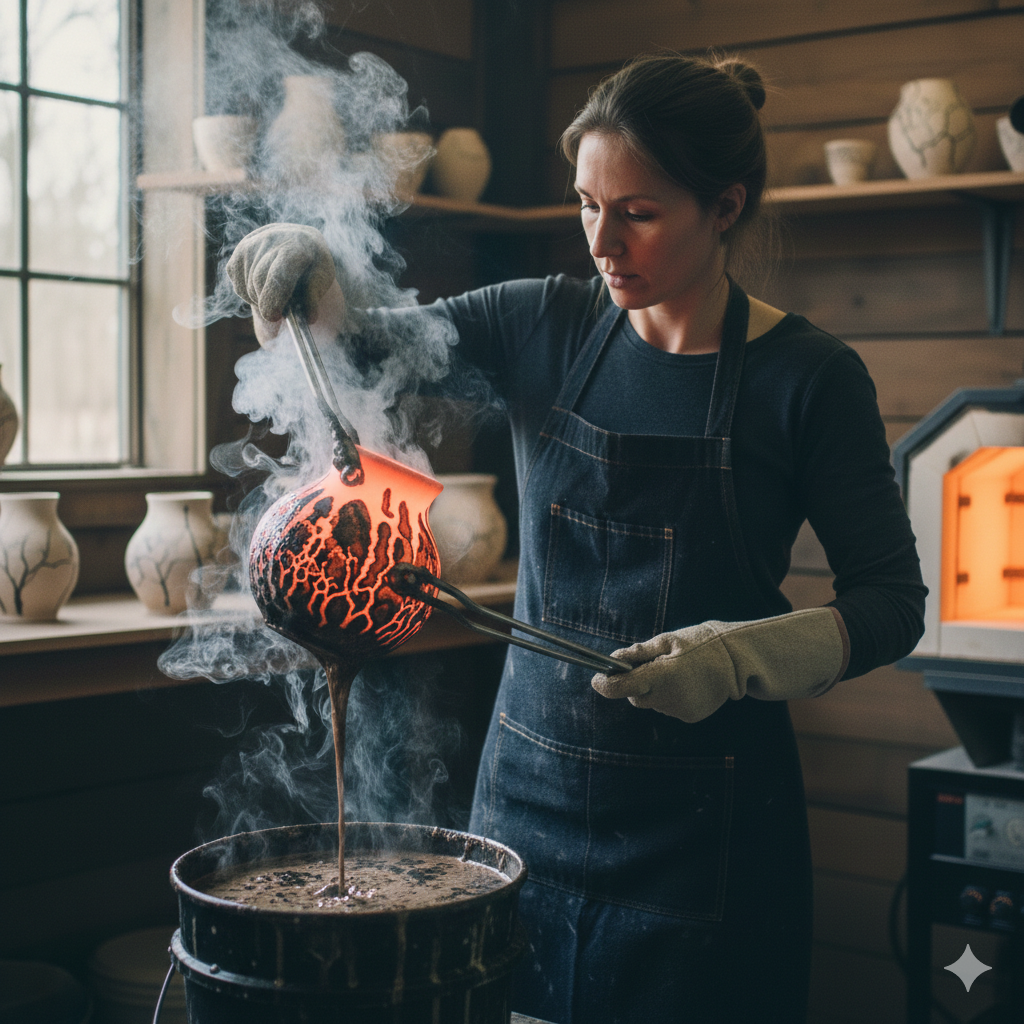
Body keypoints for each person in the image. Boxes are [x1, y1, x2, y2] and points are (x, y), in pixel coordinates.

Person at [227, 53, 926, 1024]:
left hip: (705, 839)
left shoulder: (808, 379)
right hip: (528, 812)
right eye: (587, 204)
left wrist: (737, 654)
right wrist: (303, 263)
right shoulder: (540, 323)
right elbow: (366, 343)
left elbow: (892, 604)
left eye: (637, 211)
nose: (603, 239)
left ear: (724, 207)